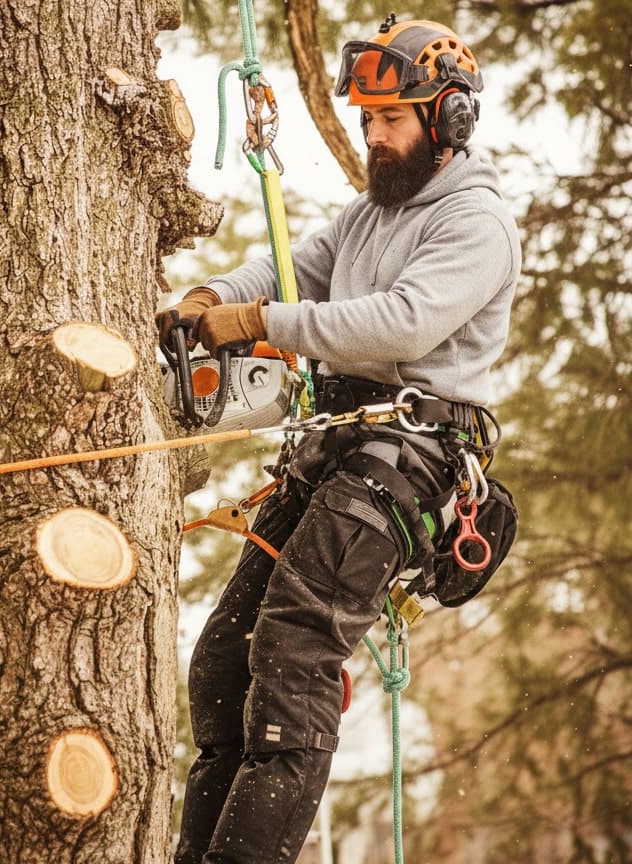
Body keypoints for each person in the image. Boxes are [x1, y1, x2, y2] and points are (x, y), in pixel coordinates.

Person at [158, 15, 521, 864]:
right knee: (224, 663)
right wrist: (210, 296)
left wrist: (259, 322)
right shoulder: (370, 213)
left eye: (392, 120)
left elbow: (399, 325)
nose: (374, 137)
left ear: (450, 120)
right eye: (366, 121)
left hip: (409, 461)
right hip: (340, 453)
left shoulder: (476, 222)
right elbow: (297, 271)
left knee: (292, 656)